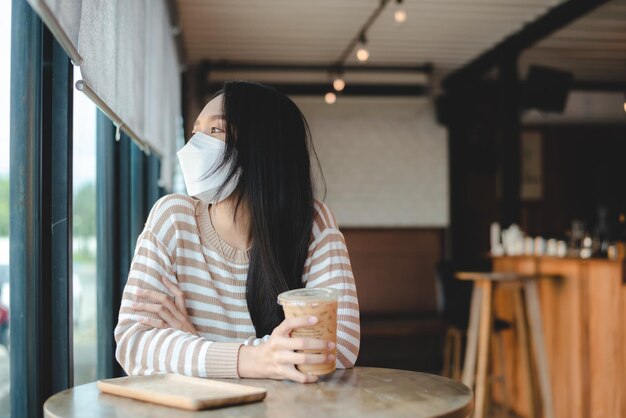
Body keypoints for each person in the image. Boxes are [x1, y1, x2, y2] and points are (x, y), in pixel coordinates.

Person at [115, 81, 360, 383]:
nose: (193, 146)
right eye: (195, 131)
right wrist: (252, 359)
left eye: (216, 131)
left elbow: (338, 345)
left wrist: (196, 344)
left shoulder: (312, 224)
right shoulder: (173, 218)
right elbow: (133, 343)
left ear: (265, 147)